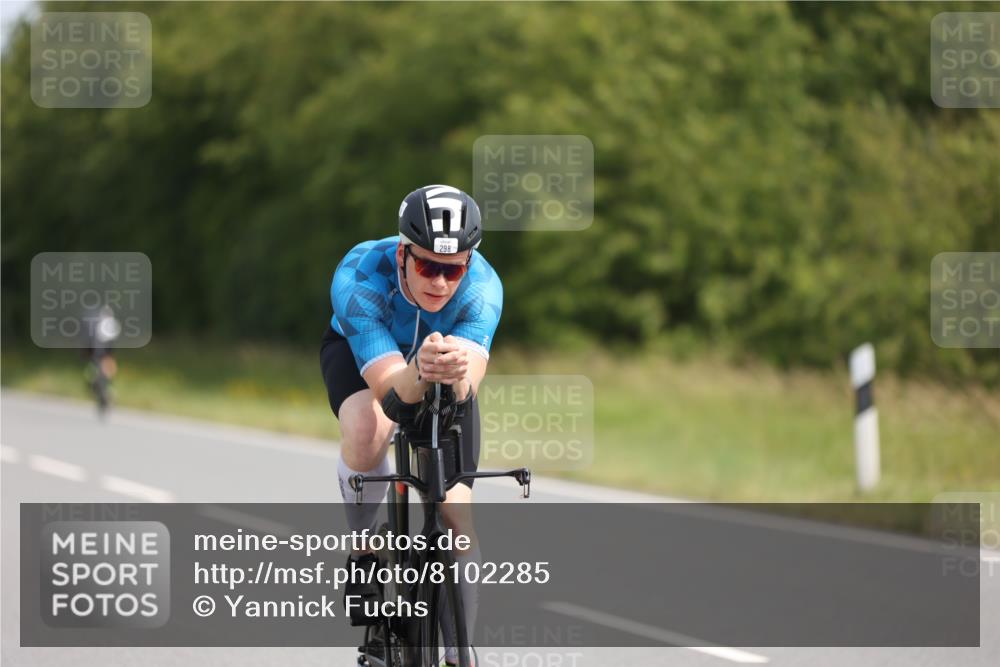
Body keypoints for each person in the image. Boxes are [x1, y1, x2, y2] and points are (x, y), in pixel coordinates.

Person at [320, 184, 502, 666]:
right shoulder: (360, 275)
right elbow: (391, 396)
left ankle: (461, 653)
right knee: (368, 429)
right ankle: (363, 550)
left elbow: (466, 392)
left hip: (440, 367)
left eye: (453, 269)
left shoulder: (484, 288)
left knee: (456, 517)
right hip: (368, 356)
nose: (441, 283)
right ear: (403, 254)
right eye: (427, 266)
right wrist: (418, 370)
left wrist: (453, 374)